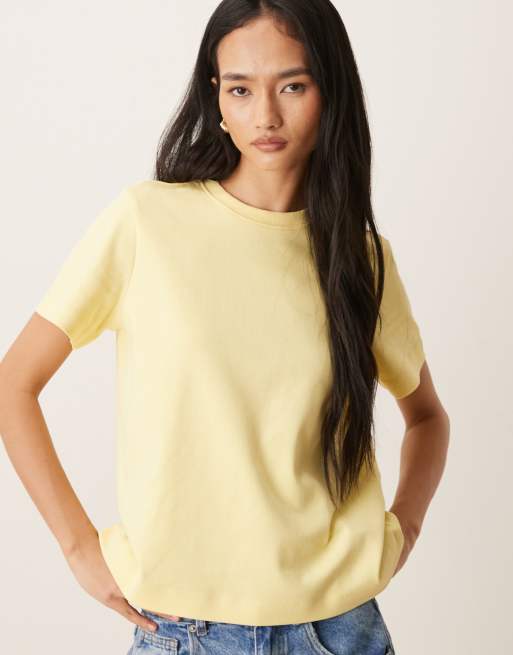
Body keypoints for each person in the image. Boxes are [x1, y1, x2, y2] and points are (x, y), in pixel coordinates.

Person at [0, 1, 450, 654]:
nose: (265, 116)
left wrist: (403, 530)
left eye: (292, 86)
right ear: (216, 98)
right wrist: (77, 545)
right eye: (240, 89)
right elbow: (13, 383)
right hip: (185, 630)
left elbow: (427, 416)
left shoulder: (360, 259)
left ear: (330, 92)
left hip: (340, 628)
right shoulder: (146, 224)